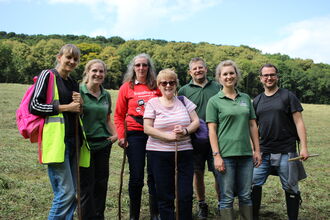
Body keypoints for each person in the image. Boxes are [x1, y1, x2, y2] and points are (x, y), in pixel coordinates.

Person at [29, 44, 90, 219]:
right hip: (56, 143)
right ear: (59, 57)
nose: (71, 61)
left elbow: (77, 112)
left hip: (73, 142)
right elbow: (34, 106)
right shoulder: (47, 76)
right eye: (68, 57)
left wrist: (80, 106)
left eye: (75, 59)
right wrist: (67, 107)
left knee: (71, 195)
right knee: (66, 194)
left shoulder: (72, 83)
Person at [251, 64, 309, 220]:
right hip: (263, 151)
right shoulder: (257, 101)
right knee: (253, 183)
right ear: (260, 78)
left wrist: (304, 147)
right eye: (265, 75)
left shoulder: (288, 96)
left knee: (290, 186)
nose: (269, 78)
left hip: (286, 151)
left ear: (277, 77)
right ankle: (253, 216)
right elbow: (253, 127)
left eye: (272, 75)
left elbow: (299, 123)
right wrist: (254, 149)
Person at [206, 60, 262, 220]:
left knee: (245, 195)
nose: (229, 76)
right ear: (219, 78)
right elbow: (212, 130)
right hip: (225, 156)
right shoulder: (214, 101)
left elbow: (252, 125)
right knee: (227, 197)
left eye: (232, 73)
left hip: (245, 155)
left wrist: (257, 150)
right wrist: (216, 155)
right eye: (225, 74)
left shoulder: (245, 98)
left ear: (236, 76)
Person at [144, 68, 200, 220]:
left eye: (171, 82)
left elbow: (196, 122)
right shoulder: (153, 103)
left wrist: (185, 131)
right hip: (158, 154)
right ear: (158, 84)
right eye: (164, 83)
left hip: (184, 153)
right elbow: (147, 128)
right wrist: (167, 137)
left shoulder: (183, 100)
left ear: (176, 84)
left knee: (185, 194)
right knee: (164, 194)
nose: (168, 85)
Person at [114, 53, 161, 220]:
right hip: (134, 135)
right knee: (136, 177)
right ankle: (134, 215)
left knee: (154, 175)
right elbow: (119, 115)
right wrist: (121, 136)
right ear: (133, 68)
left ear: (149, 68)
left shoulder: (157, 87)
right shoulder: (126, 88)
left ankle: (155, 213)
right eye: (138, 65)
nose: (141, 68)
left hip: (155, 134)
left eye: (144, 65)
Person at [178, 57, 221, 218]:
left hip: (215, 137)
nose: (198, 70)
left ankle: (221, 202)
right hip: (194, 139)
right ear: (190, 72)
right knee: (198, 172)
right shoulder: (184, 90)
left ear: (206, 69)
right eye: (194, 68)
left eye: (200, 67)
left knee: (219, 171)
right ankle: (202, 203)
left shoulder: (217, 87)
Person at [79, 59, 118, 219]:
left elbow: (108, 119)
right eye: (94, 70)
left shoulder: (106, 94)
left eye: (101, 71)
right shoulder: (78, 92)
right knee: (86, 186)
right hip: (84, 145)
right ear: (87, 72)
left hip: (103, 144)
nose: (98, 74)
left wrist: (116, 135)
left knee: (101, 184)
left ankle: (98, 216)